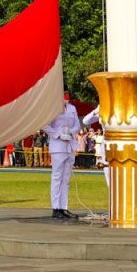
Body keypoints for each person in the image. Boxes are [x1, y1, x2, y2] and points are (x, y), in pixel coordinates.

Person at [44, 88, 81, 219]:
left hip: (69, 144)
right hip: (58, 145)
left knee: (66, 178)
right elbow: (45, 125)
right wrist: (58, 134)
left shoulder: (72, 108)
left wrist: (71, 131)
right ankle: (56, 208)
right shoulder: (53, 108)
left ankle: (64, 207)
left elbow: (77, 124)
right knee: (56, 177)